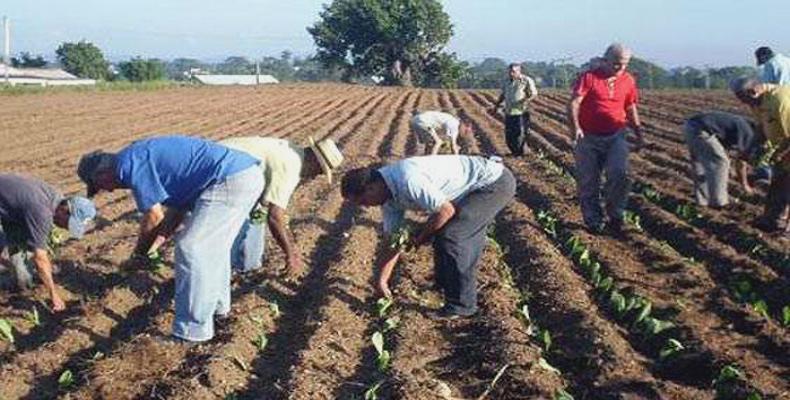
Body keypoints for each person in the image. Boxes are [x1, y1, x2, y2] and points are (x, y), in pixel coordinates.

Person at [77, 135, 264, 343]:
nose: (108, 190)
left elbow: (154, 216)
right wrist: (154, 247)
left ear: (101, 173)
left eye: (99, 185)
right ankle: (219, 310)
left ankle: (191, 332)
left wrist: (139, 254)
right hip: (242, 175)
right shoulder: (138, 157)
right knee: (212, 249)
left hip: (230, 179)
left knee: (191, 248)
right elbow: (175, 213)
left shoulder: (130, 164)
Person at [341, 155, 515, 319]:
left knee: (453, 237)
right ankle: (444, 284)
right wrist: (382, 281)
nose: (365, 206)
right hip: (469, 191)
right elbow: (392, 240)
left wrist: (421, 237)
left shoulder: (407, 179)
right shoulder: (388, 199)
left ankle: (462, 306)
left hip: (492, 184)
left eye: (363, 201)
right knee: (444, 232)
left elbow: (446, 211)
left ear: (371, 187)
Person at [219, 136, 344, 275]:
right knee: (232, 230)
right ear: (315, 161)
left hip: (230, 167)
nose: (315, 176)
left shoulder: (291, 151)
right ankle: (227, 269)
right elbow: (274, 216)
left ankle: (245, 266)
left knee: (257, 215)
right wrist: (290, 254)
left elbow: (269, 208)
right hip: (223, 172)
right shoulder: (291, 166)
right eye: (319, 171)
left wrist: (290, 241)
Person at [567, 43, 644, 235]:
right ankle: (593, 220)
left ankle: (615, 213)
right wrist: (575, 128)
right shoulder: (589, 77)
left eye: (624, 64)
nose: (620, 68)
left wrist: (639, 133)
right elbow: (574, 103)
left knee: (620, 174)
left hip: (616, 134)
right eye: (616, 64)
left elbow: (630, 107)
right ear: (605, 60)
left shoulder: (628, 80)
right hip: (588, 136)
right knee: (589, 180)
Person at [0, 174, 96, 311]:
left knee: (20, 241)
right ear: (64, 210)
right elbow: (40, 258)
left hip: (10, 210)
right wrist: (54, 294)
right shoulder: (42, 212)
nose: (66, 228)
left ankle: (21, 280)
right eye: (68, 224)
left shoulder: (55, 198)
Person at [730, 77, 790, 235]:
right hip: (782, 146)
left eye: (743, 98)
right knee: (778, 184)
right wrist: (748, 149)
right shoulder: (757, 102)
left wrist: (782, 153)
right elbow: (761, 128)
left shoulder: (780, 100)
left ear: (753, 91)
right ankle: (771, 221)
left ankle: (787, 229)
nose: (744, 103)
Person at [683, 111, 763, 208]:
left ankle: (702, 202)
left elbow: (722, 148)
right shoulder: (749, 133)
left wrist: (731, 170)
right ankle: (719, 203)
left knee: (701, 164)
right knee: (721, 163)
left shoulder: (741, 124)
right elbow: (742, 161)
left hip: (690, 126)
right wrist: (745, 185)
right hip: (701, 130)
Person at [493, 63, 538, 156]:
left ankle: (519, 153)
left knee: (520, 133)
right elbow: (503, 94)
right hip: (509, 112)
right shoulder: (506, 81)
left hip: (521, 112)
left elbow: (533, 94)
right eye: (510, 71)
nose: (511, 73)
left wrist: (525, 100)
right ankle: (514, 152)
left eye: (513, 71)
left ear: (519, 71)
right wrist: (496, 106)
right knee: (509, 135)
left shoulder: (526, 80)